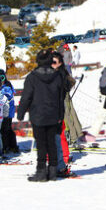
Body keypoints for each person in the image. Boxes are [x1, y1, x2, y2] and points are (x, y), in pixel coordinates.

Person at [17, 48, 65, 182]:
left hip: (38, 115)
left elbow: (26, 97)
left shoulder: (32, 77)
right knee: (52, 144)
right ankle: (53, 171)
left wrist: (20, 113)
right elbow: (61, 97)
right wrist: (61, 114)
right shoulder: (58, 76)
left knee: (42, 145)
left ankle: (41, 171)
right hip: (54, 114)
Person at [52, 51, 76, 177]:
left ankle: (64, 157)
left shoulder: (61, 74)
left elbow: (69, 84)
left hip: (58, 107)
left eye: (55, 62)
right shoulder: (51, 73)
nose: (52, 64)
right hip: (51, 108)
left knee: (60, 133)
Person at [0, 69, 19, 154]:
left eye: (2, 78)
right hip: (1, 112)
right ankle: (11, 145)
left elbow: (6, 95)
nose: (1, 80)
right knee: (5, 129)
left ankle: (6, 147)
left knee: (5, 130)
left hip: (7, 112)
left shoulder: (7, 87)